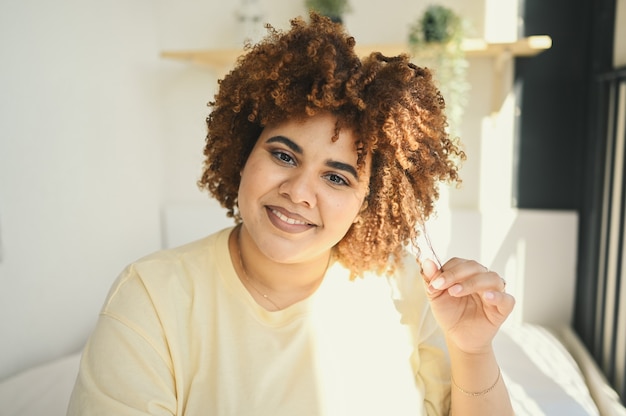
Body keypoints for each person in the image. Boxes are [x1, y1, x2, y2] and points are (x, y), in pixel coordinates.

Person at [67, 12, 515, 416]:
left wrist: (472, 352)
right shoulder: (151, 297)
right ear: (244, 153)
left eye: (337, 178)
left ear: (369, 201)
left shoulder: (409, 293)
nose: (299, 192)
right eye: (283, 155)